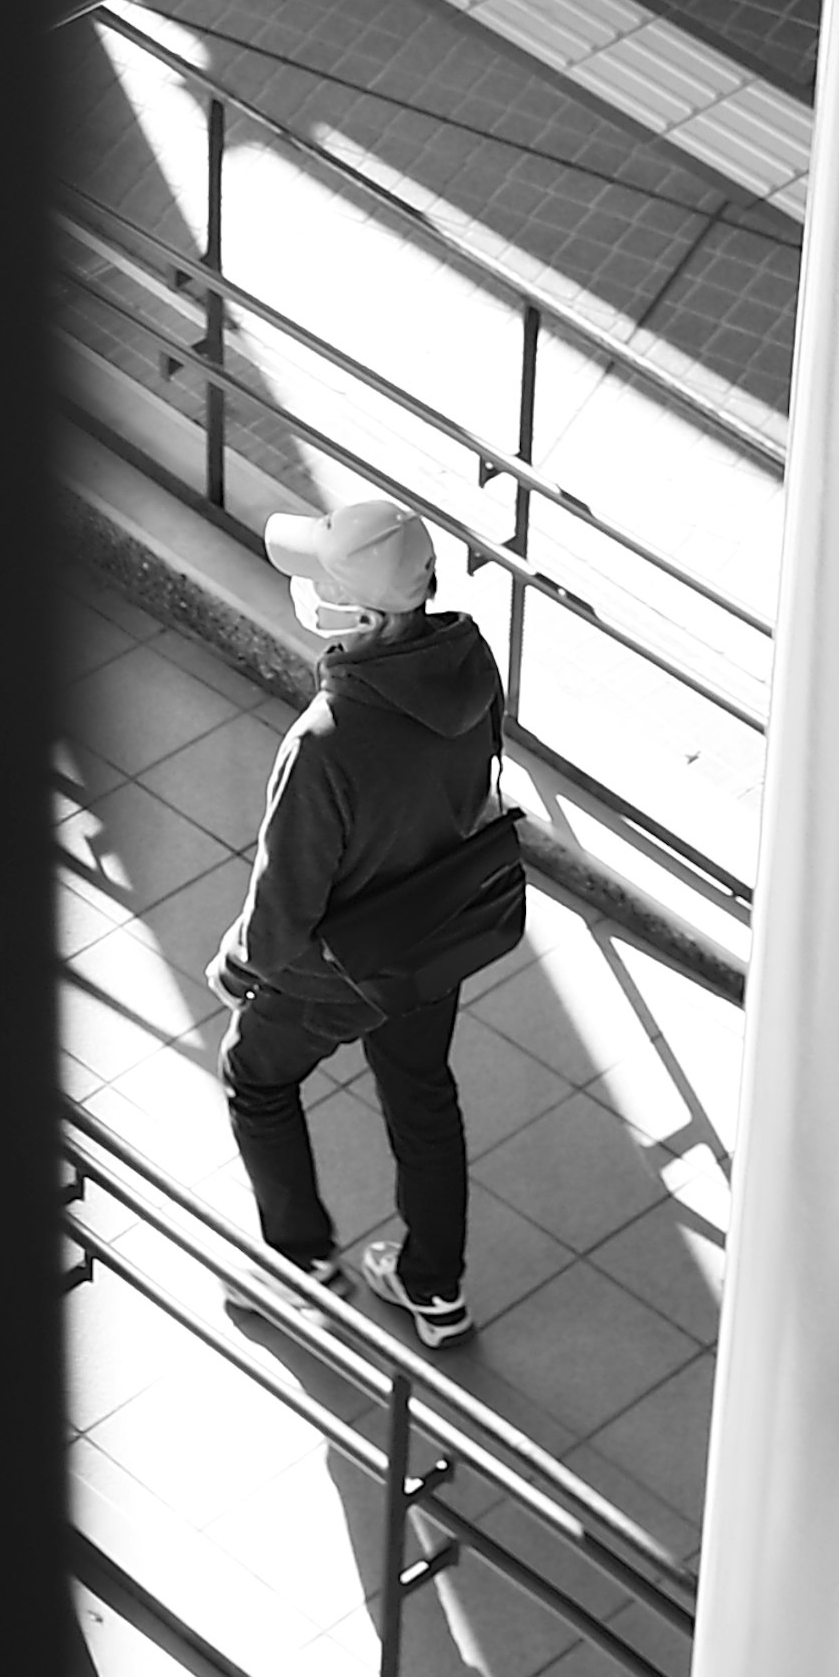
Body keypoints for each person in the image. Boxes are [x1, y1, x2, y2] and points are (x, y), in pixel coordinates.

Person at [209, 489, 512, 1345]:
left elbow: (286, 899)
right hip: (438, 937)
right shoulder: (472, 661)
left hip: (339, 970)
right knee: (424, 1099)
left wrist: (239, 964)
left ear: (355, 610)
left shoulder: (326, 740)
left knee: (255, 1076)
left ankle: (299, 1262)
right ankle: (434, 1291)